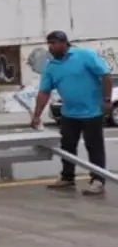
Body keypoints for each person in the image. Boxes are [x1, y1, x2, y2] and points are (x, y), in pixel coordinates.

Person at [31, 31, 111, 195]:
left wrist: (107, 100)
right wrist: (37, 114)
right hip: (69, 114)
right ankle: (67, 178)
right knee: (67, 147)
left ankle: (98, 180)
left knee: (94, 148)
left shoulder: (84, 55)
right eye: (49, 44)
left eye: (54, 43)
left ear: (64, 43)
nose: (51, 47)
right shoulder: (51, 66)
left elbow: (105, 75)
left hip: (92, 112)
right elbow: (44, 92)